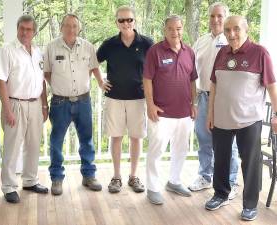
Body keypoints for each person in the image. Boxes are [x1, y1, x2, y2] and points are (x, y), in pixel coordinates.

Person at [205, 15, 277, 221]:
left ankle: (250, 204)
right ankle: (220, 194)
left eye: (236, 29)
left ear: (246, 29)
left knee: (250, 163)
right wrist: (210, 113)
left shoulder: (260, 53)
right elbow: (213, 85)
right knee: (220, 160)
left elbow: (272, 87)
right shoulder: (221, 53)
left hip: (249, 120)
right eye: (228, 30)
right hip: (221, 119)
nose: (231, 34)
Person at [44, 13, 104, 195]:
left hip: (84, 101)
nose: (71, 29)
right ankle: (56, 178)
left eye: (74, 26)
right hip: (60, 102)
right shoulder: (51, 47)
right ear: (62, 27)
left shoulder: (88, 47)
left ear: (79, 28)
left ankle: (89, 175)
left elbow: (94, 67)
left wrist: (101, 83)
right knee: (56, 142)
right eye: (67, 25)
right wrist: (59, 86)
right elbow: (47, 72)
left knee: (86, 140)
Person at [96, 6, 153, 193]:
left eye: (129, 20)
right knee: (117, 136)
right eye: (121, 20)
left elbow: (157, 67)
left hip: (138, 98)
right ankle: (116, 176)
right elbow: (92, 62)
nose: (126, 23)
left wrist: (151, 85)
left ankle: (134, 176)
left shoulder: (146, 43)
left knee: (136, 137)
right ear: (116, 23)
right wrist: (100, 81)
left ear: (135, 21)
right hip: (114, 98)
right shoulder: (109, 44)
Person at [0, 15, 49, 203]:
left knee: (34, 145)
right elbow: (0, 80)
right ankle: (9, 186)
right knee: (12, 146)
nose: (25, 32)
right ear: (17, 29)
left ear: (34, 32)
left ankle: (30, 180)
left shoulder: (38, 52)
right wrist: (7, 109)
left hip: (35, 104)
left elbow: (41, 80)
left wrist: (44, 104)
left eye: (29, 29)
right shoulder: (7, 50)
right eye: (22, 29)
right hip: (15, 103)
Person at [143, 15, 197, 205]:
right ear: (165, 30)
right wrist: (150, 104)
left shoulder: (189, 52)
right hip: (161, 113)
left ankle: (174, 181)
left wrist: (194, 104)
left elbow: (192, 80)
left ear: (182, 29)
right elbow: (147, 79)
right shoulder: (155, 51)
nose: (175, 32)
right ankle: (153, 187)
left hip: (184, 113)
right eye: (171, 29)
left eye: (179, 28)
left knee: (180, 150)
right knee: (156, 151)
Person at [189, 2, 239, 200]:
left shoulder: (231, 41)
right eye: (212, 16)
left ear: (225, 17)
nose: (216, 20)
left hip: (224, 100)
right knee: (204, 139)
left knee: (229, 143)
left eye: (220, 16)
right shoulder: (200, 41)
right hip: (203, 97)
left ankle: (231, 181)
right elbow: (191, 71)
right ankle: (204, 176)